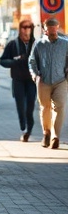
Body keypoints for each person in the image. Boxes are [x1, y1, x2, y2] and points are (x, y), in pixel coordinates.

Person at [28, 17, 68, 149]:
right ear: (45, 29)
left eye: (54, 28)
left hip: (61, 80)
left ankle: (55, 137)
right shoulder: (39, 44)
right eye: (49, 28)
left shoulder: (65, 44)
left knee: (60, 106)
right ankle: (46, 132)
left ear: (58, 27)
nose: (52, 31)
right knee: (45, 108)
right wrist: (35, 75)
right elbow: (32, 61)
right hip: (43, 81)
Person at [0, 19, 36, 142]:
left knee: (30, 107)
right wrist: (15, 61)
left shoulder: (36, 44)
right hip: (18, 80)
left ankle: (28, 130)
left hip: (32, 80)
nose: (26, 30)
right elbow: (2, 60)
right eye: (24, 27)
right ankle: (23, 127)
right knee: (21, 106)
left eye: (28, 27)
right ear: (20, 29)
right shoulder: (13, 44)